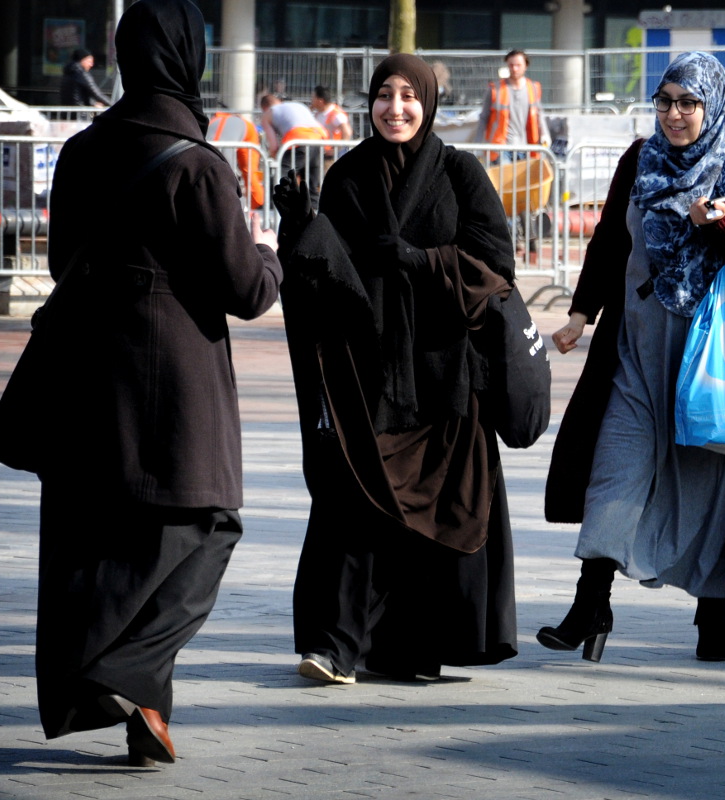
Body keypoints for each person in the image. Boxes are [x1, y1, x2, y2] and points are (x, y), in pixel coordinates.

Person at [0, 0, 282, 766]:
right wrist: (275, 254)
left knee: (100, 534)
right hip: (173, 381)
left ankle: (146, 713)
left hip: (86, 372)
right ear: (190, 58)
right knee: (207, 526)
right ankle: (127, 674)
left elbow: (61, 262)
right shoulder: (196, 162)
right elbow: (247, 290)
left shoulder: (82, 150)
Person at [540, 51, 725, 664]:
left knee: (709, 483)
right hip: (636, 348)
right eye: (665, 102)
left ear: (714, 105)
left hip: (710, 359)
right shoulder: (641, 158)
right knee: (615, 465)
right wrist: (580, 313)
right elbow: (609, 238)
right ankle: (591, 603)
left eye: (688, 103)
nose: (674, 115)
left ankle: (714, 609)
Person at [274, 53, 519, 685]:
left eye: (409, 95)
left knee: (430, 515)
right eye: (385, 94)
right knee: (353, 503)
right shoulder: (348, 176)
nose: (396, 108)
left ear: (428, 103)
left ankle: (407, 645)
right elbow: (324, 278)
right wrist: (298, 230)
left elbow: (497, 269)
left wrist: (419, 260)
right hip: (368, 373)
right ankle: (334, 646)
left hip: (444, 379)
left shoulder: (460, 173)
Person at [473, 49, 550, 161]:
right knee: (504, 172)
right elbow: (484, 117)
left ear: (526, 66)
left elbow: (539, 115)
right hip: (501, 149)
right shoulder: (495, 89)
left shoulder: (533, 88)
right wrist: (477, 144)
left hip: (527, 147)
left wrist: (545, 134)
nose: (514, 69)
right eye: (511, 65)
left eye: (518, 65)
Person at [260, 92, 328, 193]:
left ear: (264, 108)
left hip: (299, 141)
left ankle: (273, 201)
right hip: (319, 140)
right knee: (311, 186)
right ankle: (313, 202)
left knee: (280, 179)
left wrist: (275, 157)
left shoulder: (268, 114)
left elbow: (273, 146)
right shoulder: (298, 105)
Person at [208, 110, 266, 208]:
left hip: (210, 149)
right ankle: (254, 204)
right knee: (246, 171)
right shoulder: (246, 126)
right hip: (228, 144)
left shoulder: (215, 121)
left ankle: (254, 202)